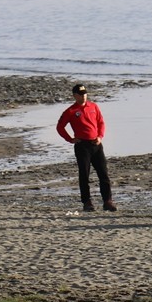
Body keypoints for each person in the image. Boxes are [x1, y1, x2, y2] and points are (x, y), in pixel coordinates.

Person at [57, 84, 116, 212]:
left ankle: (107, 201)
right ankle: (87, 202)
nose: (83, 96)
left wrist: (100, 136)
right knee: (84, 175)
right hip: (82, 146)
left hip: (96, 144)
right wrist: (70, 139)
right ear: (75, 95)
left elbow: (101, 122)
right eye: (80, 94)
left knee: (103, 174)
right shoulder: (71, 111)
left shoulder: (93, 106)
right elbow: (60, 127)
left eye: (85, 94)